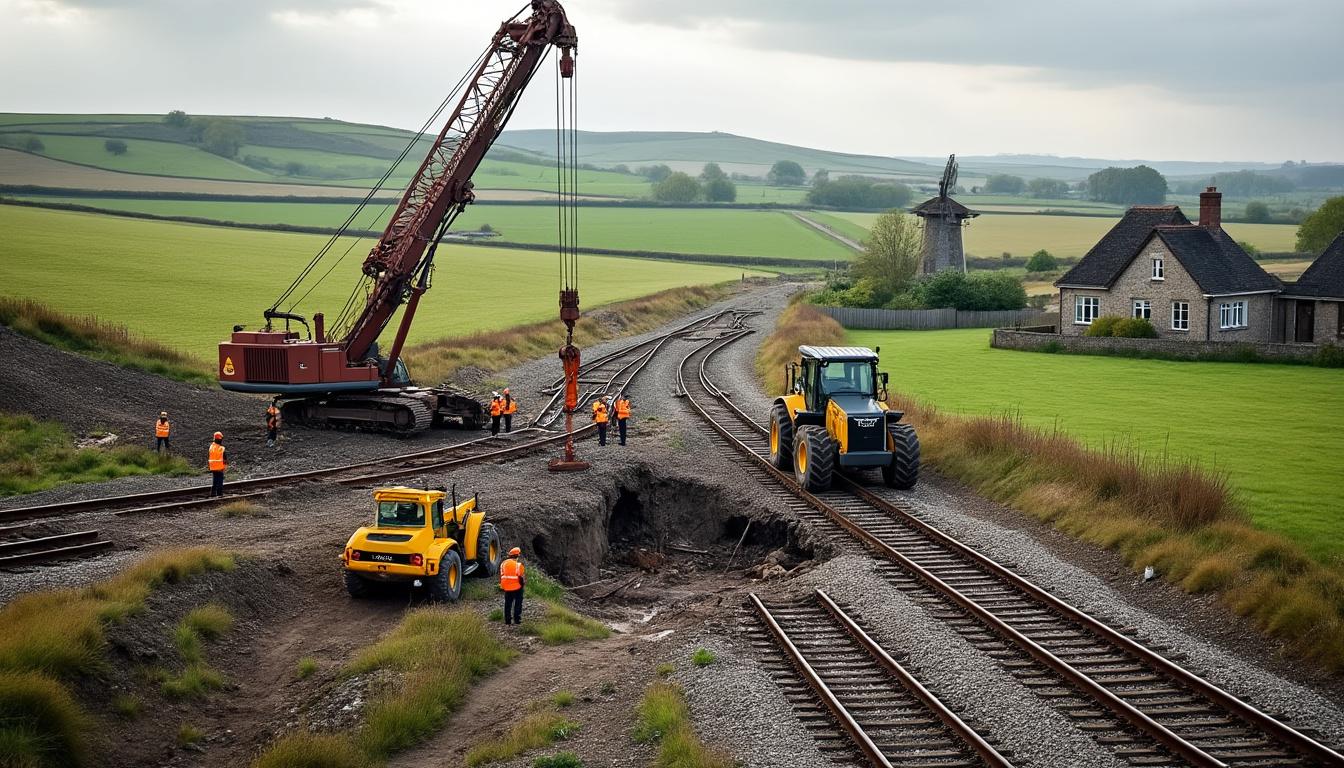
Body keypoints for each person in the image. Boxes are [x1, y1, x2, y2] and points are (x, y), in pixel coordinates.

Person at [499, 546, 526, 625]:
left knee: (508, 603)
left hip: (506, 586)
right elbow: (521, 576)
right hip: (517, 586)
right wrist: (522, 585)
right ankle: (517, 620)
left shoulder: (503, 563)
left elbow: (502, 574)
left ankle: (507, 621)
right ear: (517, 556)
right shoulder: (518, 565)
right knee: (518, 603)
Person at [207, 432, 227, 498]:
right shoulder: (221, 448)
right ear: (220, 439)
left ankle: (213, 493)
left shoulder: (211, 447)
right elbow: (224, 459)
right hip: (219, 467)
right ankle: (219, 494)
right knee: (220, 481)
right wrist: (225, 467)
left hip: (213, 467)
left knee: (215, 480)